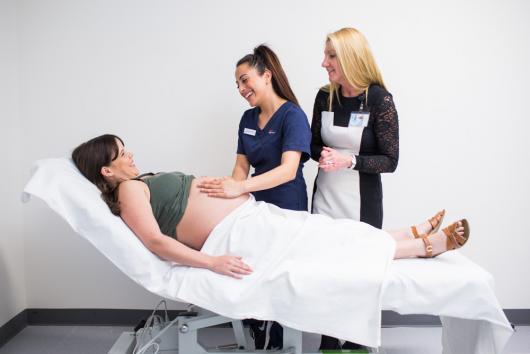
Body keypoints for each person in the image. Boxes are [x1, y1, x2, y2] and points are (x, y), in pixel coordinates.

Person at [71, 135, 470, 347]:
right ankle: (423, 246)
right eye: (122, 154)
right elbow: (156, 243)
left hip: (250, 218)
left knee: (329, 233)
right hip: (237, 235)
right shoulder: (127, 192)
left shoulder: (140, 183)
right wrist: (212, 263)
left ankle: (406, 235)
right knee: (327, 245)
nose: (131, 155)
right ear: (106, 170)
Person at [197, 45, 312, 349]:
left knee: (281, 273)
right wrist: (229, 198)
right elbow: (240, 167)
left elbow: (288, 170)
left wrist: (240, 188)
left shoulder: (293, 116)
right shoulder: (248, 119)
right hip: (255, 206)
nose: (241, 89)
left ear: (267, 76)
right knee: (254, 269)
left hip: (288, 205)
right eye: (237, 84)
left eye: (245, 80)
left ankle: (281, 338)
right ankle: (260, 330)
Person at [310, 27, 401, 350]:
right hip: (325, 200)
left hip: (362, 204)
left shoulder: (378, 99)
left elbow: (390, 160)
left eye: (331, 56)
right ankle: (328, 341)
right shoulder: (325, 95)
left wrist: (349, 161)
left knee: (357, 276)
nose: (324, 63)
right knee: (326, 272)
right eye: (325, 55)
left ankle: (357, 342)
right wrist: (322, 155)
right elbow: (314, 145)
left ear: (350, 57)